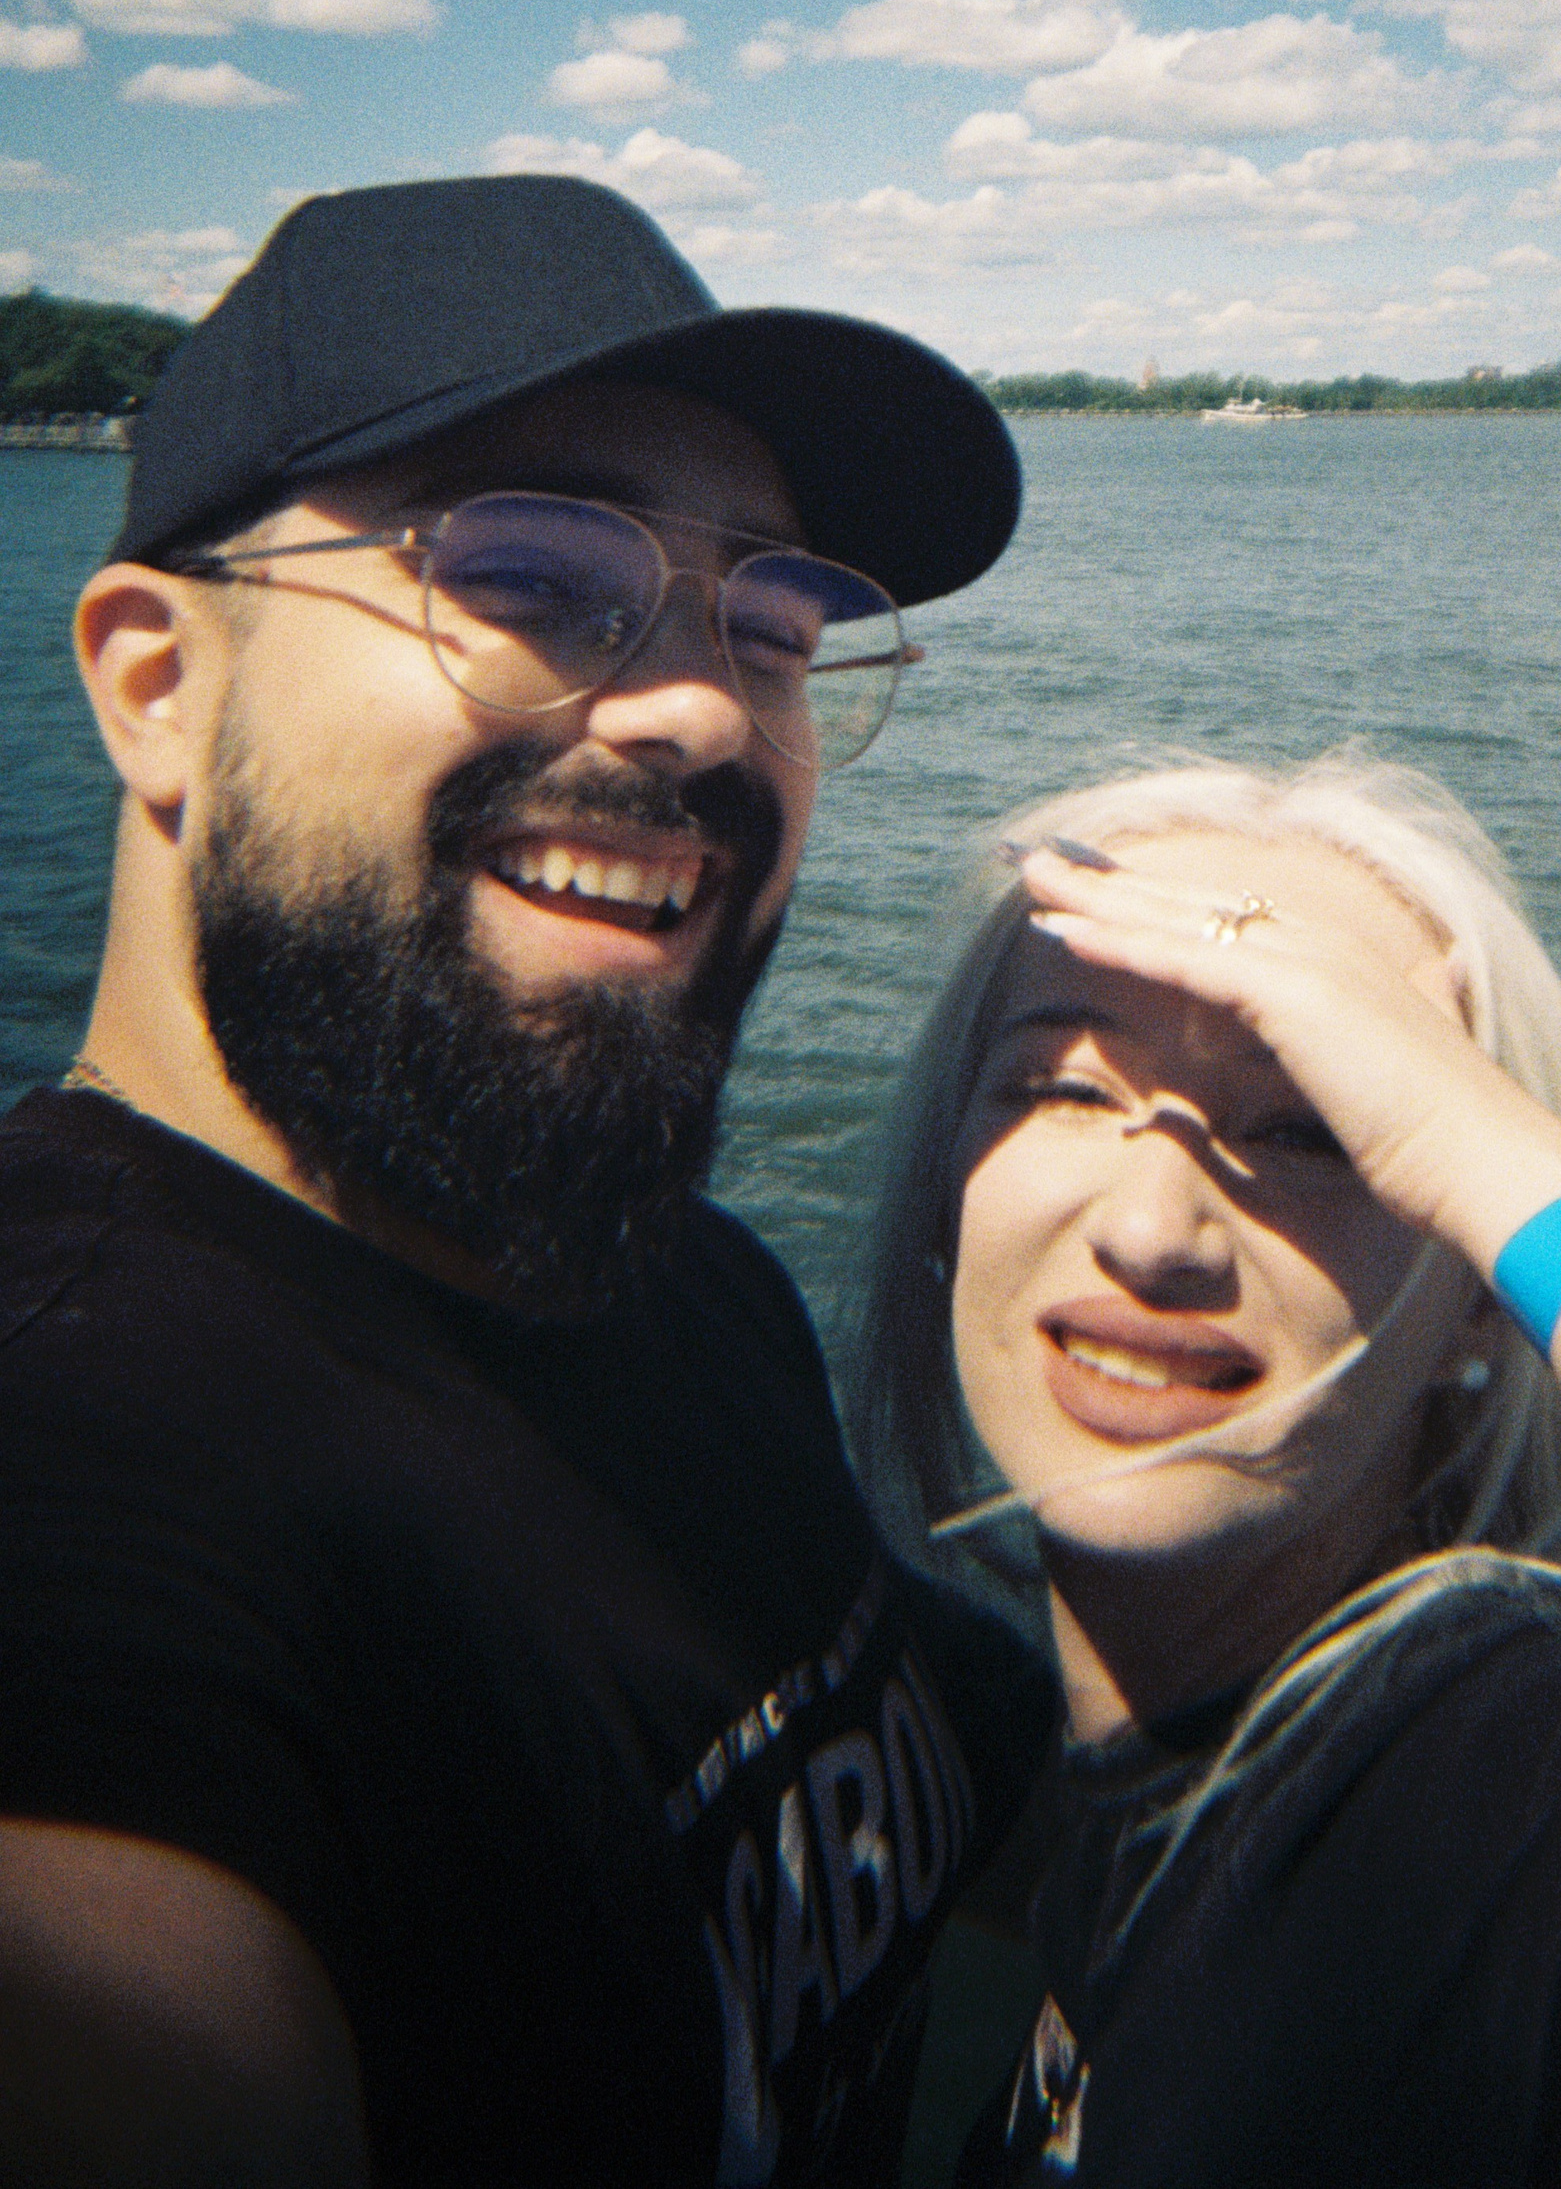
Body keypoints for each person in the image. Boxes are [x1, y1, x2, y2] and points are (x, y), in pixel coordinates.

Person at [0, 174, 1055, 2189]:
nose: (707, 704)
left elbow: (1014, 1803)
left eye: (774, 626)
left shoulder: (682, 1289)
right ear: (157, 686)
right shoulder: (80, 1497)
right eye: (532, 574)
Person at [855, 752, 1561, 2186]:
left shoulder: (1485, 1769)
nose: (1153, 1232)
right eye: (1062, 1087)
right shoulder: (1117, 1767)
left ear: (1477, 1294)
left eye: (1314, 1125)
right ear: (946, 1184)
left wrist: (1482, 1148)